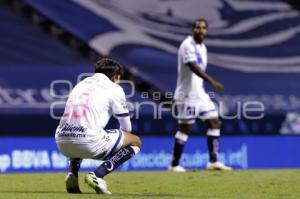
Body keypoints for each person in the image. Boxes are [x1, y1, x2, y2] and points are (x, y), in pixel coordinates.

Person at [55, 58, 141, 194]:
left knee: (81, 128)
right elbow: (127, 128)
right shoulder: (114, 88)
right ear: (115, 76)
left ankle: (72, 173)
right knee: (135, 141)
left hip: (62, 141)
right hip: (88, 142)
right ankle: (97, 175)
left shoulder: (81, 84)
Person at [169, 18, 232, 172]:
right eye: (198, 27)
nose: (201, 30)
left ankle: (213, 161)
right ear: (193, 29)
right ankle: (174, 164)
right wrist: (212, 81)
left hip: (200, 94)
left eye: (204, 28)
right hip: (186, 95)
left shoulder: (202, 47)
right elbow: (192, 66)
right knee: (185, 129)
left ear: (207, 30)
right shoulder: (187, 45)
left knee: (214, 122)